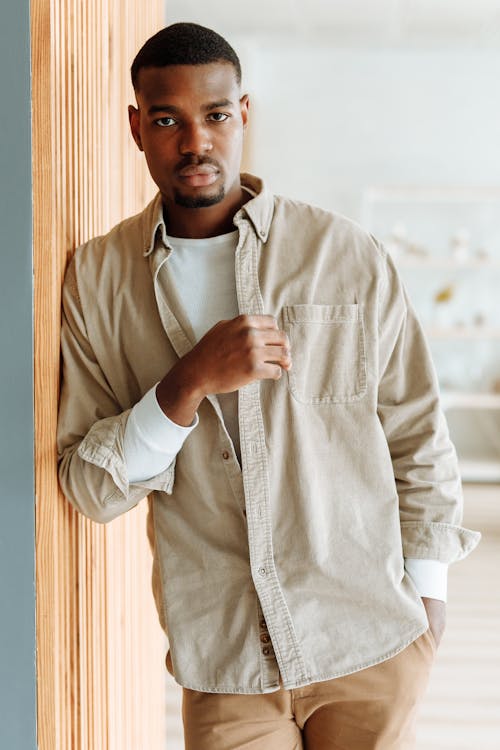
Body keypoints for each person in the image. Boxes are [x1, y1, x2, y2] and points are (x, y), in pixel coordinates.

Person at [57, 22, 481, 750]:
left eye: (216, 116)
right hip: (226, 668)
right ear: (136, 127)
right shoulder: (98, 280)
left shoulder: (342, 253)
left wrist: (430, 599)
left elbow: (414, 428)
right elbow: (90, 488)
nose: (196, 143)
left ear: (244, 115)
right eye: (168, 120)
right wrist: (185, 383)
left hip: (370, 641)